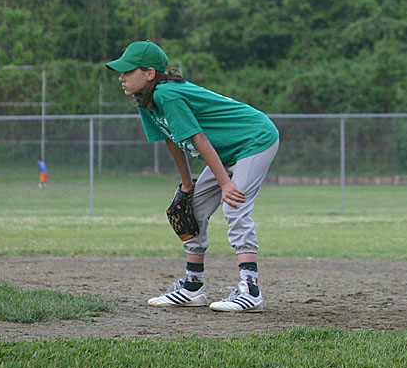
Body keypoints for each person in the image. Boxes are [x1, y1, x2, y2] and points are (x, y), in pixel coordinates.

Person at [106, 40, 280, 313]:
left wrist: (225, 184)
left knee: (234, 203)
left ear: (150, 73)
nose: (121, 77)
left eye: (128, 71)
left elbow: (197, 138)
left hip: (254, 139)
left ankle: (251, 290)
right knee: (193, 207)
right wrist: (188, 185)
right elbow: (172, 140)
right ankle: (193, 287)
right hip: (226, 150)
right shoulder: (146, 100)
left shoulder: (167, 94)